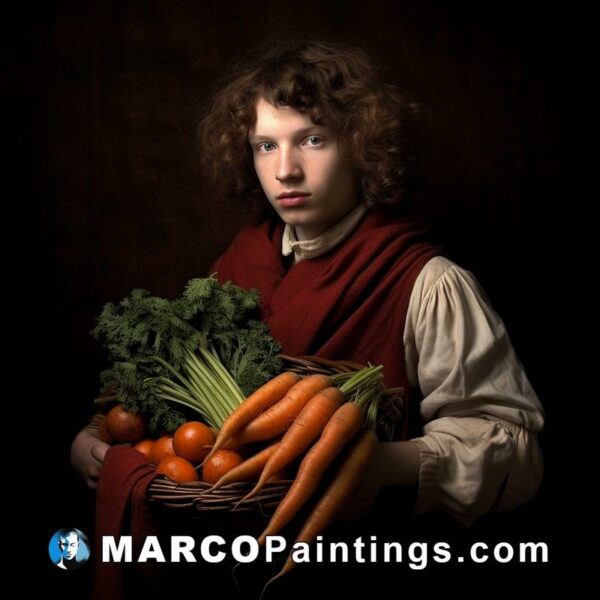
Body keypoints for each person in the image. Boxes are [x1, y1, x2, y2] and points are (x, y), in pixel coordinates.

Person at [71, 39, 544, 528]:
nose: (285, 171)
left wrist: (383, 465)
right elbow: (172, 410)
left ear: (361, 144)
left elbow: (518, 455)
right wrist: (96, 441)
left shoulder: (427, 282)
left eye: (313, 139)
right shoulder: (239, 263)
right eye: (266, 146)